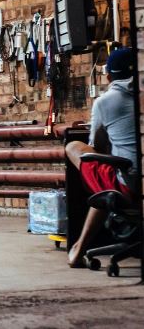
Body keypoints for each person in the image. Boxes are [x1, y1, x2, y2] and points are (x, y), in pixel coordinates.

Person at [65, 46, 138, 267]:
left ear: (108, 76)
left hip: (131, 186)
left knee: (74, 147)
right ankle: (79, 248)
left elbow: (95, 145)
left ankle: (79, 248)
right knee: (110, 177)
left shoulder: (105, 102)